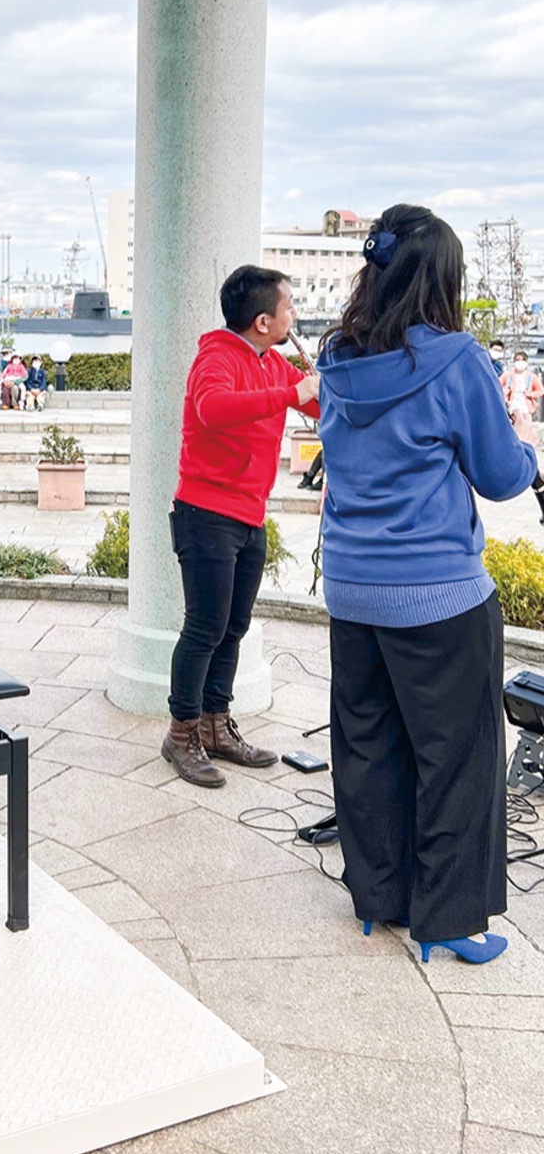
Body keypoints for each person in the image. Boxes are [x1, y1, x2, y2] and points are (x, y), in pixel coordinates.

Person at [317, 205, 539, 965]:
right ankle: (448, 918)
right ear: (441, 279)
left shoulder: (335, 357)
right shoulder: (458, 361)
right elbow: (502, 475)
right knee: (458, 755)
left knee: (368, 743)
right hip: (438, 592)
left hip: (351, 586)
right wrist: (532, 454)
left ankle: (378, 899)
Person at [163, 266, 320, 787]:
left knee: (233, 627)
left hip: (249, 515)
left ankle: (214, 724)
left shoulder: (272, 360)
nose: (293, 314)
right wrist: (290, 396)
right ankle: (181, 733)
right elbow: (212, 408)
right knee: (204, 628)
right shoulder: (216, 357)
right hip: (206, 514)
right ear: (261, 320)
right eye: (289, 307)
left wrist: (329, 380)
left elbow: (317, 403)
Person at [502, 350, 542, 442]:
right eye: (517, 359)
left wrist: (531, 394)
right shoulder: (508, 375)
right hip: (513, 403)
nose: (520, 362)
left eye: (522, 360)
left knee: (527, 423)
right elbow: (498, 385)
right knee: (518, 419)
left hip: (526, 405)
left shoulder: (531, 377)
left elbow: (540, 390)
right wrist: (505, 392)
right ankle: (516, 441)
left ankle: (526, 443)